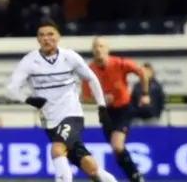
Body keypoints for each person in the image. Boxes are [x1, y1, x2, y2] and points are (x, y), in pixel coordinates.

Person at [6, 21, 119, 182]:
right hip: (51, 121)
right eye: (42, 35)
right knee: (92, 169)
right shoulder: (30, 61)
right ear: (38, 39)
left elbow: (91, 78)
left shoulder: (69, 57)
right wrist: (29, 99)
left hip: (72, 115)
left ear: (58, 37)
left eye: (50, 34)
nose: (46, 38)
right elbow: (11, 89)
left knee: (57, 150)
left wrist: (101, 107)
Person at [82, 37, 149, 182]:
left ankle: (137, 176)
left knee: (117, 146)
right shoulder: (89, 70)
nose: (98, 49)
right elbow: (85, 97)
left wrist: (144, 94)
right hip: (106, 113)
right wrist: (100, 99)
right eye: (95, 47)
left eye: (101, 46)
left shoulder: (120, 63)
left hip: (123, 109)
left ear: (107, 49)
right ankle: (134, 177)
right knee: (116, 150)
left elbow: (143, 72)